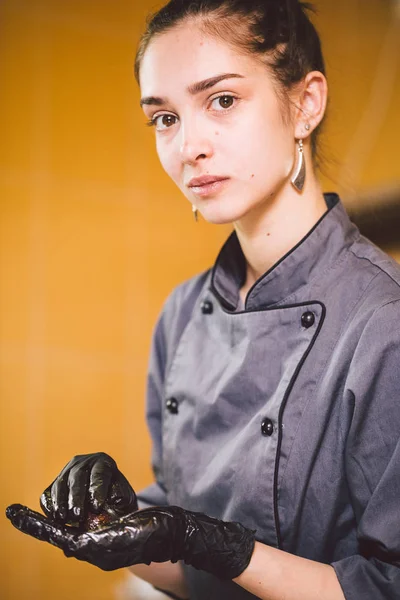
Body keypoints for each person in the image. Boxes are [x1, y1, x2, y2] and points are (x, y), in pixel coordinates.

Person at [6, 1, 400, 599]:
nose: (188, 146)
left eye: (221, 100)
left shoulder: (381, 324)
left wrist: (219, 546)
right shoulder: (183, 315)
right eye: (164, 117)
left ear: (305, 104)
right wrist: (115, 529)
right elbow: (192, 573)